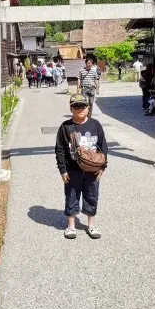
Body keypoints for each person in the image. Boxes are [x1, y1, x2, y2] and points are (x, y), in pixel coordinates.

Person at [54, 93, 108, 239]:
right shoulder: (66, 127)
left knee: (92, 196)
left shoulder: (95, 124)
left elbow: (103, 146)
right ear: (71, 108)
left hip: (93, 170)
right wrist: (62, 170)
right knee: (72, 196)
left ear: (88, 107)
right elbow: (60, 150)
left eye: (83, 106)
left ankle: (91, 225)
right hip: (72, 169)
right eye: (76, 106)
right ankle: (71, 226)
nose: (80, 109)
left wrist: (103, 167)